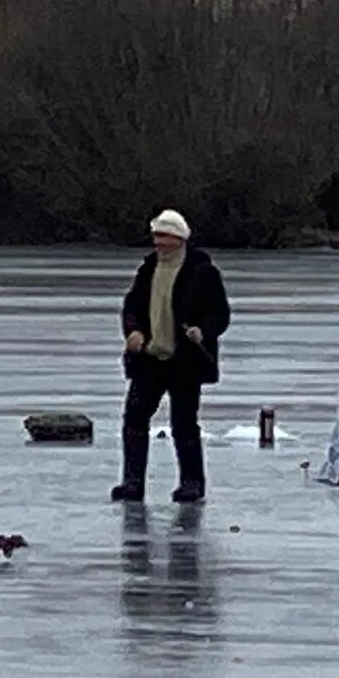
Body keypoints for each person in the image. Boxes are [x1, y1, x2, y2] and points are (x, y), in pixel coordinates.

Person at [112, 210, 231, 504]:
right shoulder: (147, 270)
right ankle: (132, 482)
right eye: (156, 236)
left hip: (185, 361)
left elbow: (220, 314)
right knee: (135, 421)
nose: (158, 242)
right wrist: (133, 331)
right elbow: (132, 307)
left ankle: (192, 484)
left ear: (179, 239)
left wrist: (203, 331)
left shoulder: (203, 272)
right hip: (149, 359)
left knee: (184, 424)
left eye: (164, 236)